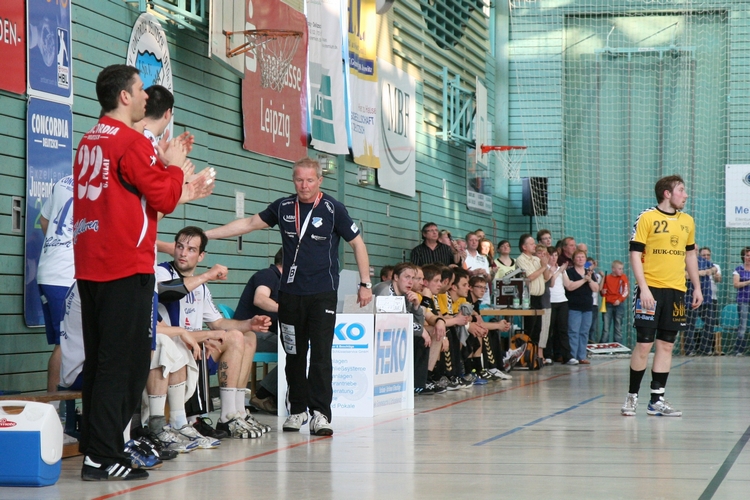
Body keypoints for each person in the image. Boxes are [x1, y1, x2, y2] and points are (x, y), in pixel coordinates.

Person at [73, 65, 195, 481]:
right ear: (124, 96)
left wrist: (161, 164)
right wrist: (173, 166)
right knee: (123, 366)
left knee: (101, 362)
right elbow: (164, 198)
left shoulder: (90, 138)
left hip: (91, 265)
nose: (146, 95)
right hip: (125, 266)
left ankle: (96, 448)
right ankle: (102, 455)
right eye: (141, 88)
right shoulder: (130, 141)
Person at [205, 156, 373, 436]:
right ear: (293, 180)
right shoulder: (283, 207)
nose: (304, 185)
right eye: (299, 180)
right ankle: (297, 410)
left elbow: (357, 243)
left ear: (319, 180)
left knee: (321, 355)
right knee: (294, 354)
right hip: (290, 295)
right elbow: (249, 223)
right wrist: (207, 235)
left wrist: (365, 283)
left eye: (310, 180)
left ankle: (320, 414)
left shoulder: (333, 208)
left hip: (322, 294)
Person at [621, 175, 701, 418]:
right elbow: (635, 254)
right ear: (667, 193)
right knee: (644, 344)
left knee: (666, 345)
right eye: (681, 190)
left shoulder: (687, 221)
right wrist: (643, 288)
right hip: (651, 289)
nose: (685, 195)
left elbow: (690, 255)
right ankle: (632, 396)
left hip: (676, 291)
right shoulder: (647, 217)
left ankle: (657, 400)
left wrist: (696, 287)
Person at [37, 175, 75, 410]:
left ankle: (56, 407)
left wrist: (58, 247)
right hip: (65, 276)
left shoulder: (64, 181)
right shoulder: (97, 187)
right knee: (65, 345)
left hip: (49, 269)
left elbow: (44, 220)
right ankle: (54, 409)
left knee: (63, 343)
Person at [234, 249, 282, 413]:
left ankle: (269, 394)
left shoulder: (281, 280)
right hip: (249, 333)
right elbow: (260, 298)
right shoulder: (268, 275)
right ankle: (263, 395)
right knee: (297, 351)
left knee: (299, 349)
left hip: (263, 333)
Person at [373, 263, 431, 395]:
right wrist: (421, 330)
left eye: (413, 278)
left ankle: (417, 384)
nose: (410, 282)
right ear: (396, 277)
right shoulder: (385, 290)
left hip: (391, 333)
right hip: (375, 333)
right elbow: (391, 320)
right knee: (420, 338)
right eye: (407, 277)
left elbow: (418, 322)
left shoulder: (406, 294)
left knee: (420, 339)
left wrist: (416, 306)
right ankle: (415, 384)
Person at [563, 250, 599, 364]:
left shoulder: (589, 272)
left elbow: (596, 288)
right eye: (578, 257)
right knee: (573, 331)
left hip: (587, 306)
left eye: (582, 257)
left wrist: (589, 279)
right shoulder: (569, 272)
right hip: (574, 306)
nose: (580, 259)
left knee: (584, 332)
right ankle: (572, 356)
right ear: (574, 259)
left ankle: (582, 356)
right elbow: (570, 287)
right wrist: (584, 279)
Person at [515, 234, 550, 347]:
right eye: (531, 244)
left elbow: (546, 277)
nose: (535, 245)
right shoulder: (521, 260)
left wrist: (545, 265)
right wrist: (543, 267)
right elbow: (529, 277)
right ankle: (525, 352)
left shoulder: (536, 259)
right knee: (529, 328)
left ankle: (533, 353)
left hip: (539, 297)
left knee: (538, 329)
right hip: (529, 298)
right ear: (524, 247)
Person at [683, 248, 716, 356]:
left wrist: (710, 271)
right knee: (690, 325)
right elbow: (684, 275)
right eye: (694, 249)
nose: (695, 251)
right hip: (690, 299)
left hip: (706, 298)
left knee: (710, 322)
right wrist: (699, 273)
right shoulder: (683, 261)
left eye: (696, 249)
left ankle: (705, 348)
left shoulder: (703, 261)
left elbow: (714, 269)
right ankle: (690, 349)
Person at [601, 260, 629, 344]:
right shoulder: (607, 278)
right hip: (607, 304)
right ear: (613, 269)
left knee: (618, 326)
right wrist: (602, 292)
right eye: (619, 269)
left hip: (619, 304)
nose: (621, 270)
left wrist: (619, 300)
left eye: (622, 269)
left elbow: (626, 291)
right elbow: (602, 292)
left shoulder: (623, 277)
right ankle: (603, 344)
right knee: (606, 327)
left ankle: (618, 345)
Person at [732, 247, 750, 355]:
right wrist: (748, 282)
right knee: (743, 325)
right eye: (747, 255)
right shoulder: (738, 269)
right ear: (743, 256)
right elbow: (736, 284)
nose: (749, 257)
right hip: (743, 300)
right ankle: (739, 350)